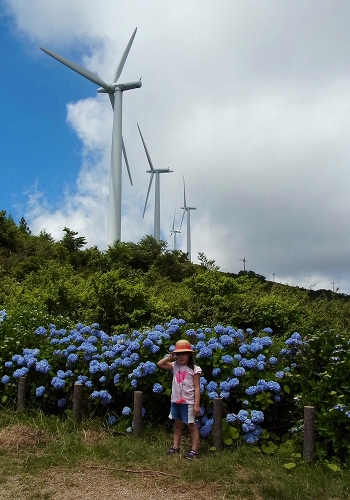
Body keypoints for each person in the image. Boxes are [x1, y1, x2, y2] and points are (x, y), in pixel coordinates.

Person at [157, 339, 202, 459]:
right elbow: (160, 364)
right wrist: (169, 358)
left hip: (188, 402)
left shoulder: (194, 369)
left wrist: (197, 405)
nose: (181, 357)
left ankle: (194, 451)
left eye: (184, 354)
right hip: (175, 401)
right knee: (178, 425)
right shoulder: (175, 366)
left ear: (189, 355)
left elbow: (197, 387)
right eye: (179, 354)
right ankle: (175, 447)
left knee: (191, 425)